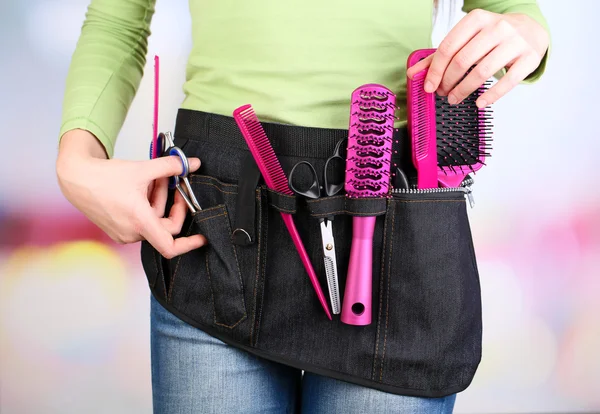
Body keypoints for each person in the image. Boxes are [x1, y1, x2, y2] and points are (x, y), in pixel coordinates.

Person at [56, 0, 550, 413]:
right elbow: (118, 19)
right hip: (218, 214)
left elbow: (513, 11)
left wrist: (527, 30)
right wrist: (77, 161)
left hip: (392, 208)